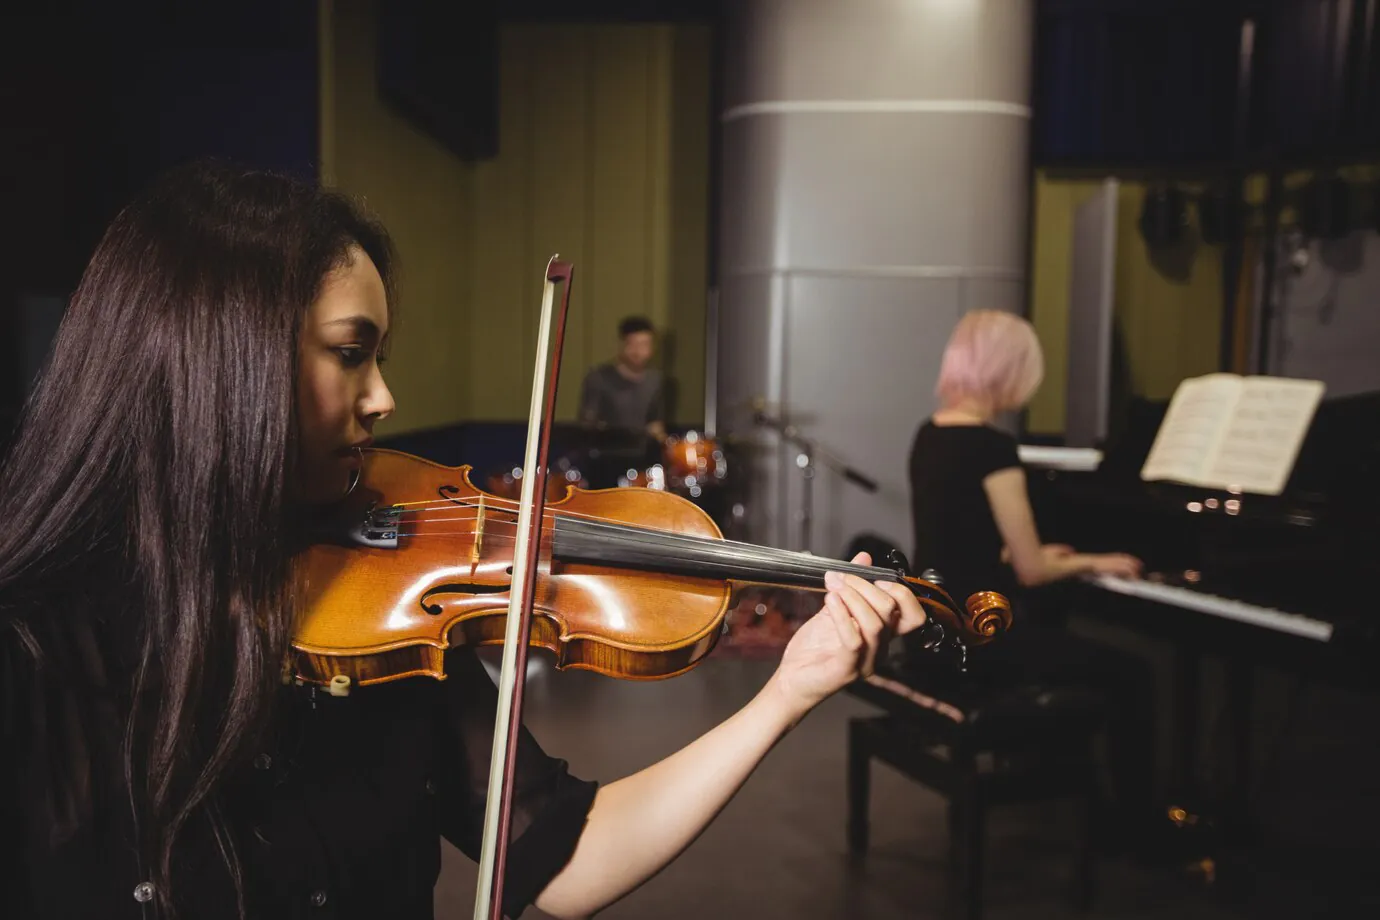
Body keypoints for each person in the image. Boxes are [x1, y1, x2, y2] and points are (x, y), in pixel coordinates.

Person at [0, 162, 927, 920]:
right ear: (217, 359)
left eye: (381, 358)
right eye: (351, 352)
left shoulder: (394, 631)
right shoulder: (37, 662)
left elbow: (559, 855)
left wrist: (788, 693)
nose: (384, 399)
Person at [904, 308, 1157, 849]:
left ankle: (1072, 783)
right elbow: (1032, 570)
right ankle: (1133, 828)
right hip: (981, 637)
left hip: (936, 631)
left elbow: (956, 533)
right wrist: (1095, 560)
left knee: (1073, 649)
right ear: (1008, 370)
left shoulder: (929, 434)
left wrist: (1031, 552)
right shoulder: (992, 448)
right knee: (1133, 674)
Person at [577, 316, 667, 445]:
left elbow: (656, 424)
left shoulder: (655, 381)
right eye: (633, 344)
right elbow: (587, 424)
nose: (638, 351)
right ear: (622, 344)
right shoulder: (599, 378)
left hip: (642, 453)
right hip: (607, 452)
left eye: (644, 345)